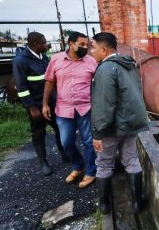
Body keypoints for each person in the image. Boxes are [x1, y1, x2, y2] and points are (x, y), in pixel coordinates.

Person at [90, 32, 149, 214]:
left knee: (104, 164)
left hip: (112, 127)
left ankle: (104, 205)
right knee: (131, 160)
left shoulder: (105, 69)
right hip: (131, 124)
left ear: (104, 49)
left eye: (93, 47)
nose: (91, 51)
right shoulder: (129, 65)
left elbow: (104, 104)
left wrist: (98, 133)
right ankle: (137, 203)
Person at [43, 31, 97, 188]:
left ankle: (91, 172)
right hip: (64, 109)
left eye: (87, 45)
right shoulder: (56, 59)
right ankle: (78, 166)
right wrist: (45, 104)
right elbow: (49, 82)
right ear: (71, 44)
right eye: (81, 44)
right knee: (66, 142)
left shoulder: (91, 61)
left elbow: (101, 81)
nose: (85, 47)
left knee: (89, 142)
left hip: (85, 108)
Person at [12, 32, 67, 176]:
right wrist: (31, 108)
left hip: (52, 103)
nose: (46, 44)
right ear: (35, 44)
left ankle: (65, 154)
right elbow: (21, 87)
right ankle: (44, 163)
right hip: (36, 106)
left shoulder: (44, 57)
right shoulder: (20, 61)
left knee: (60, 129)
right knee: (38, 134)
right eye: (43, 42)